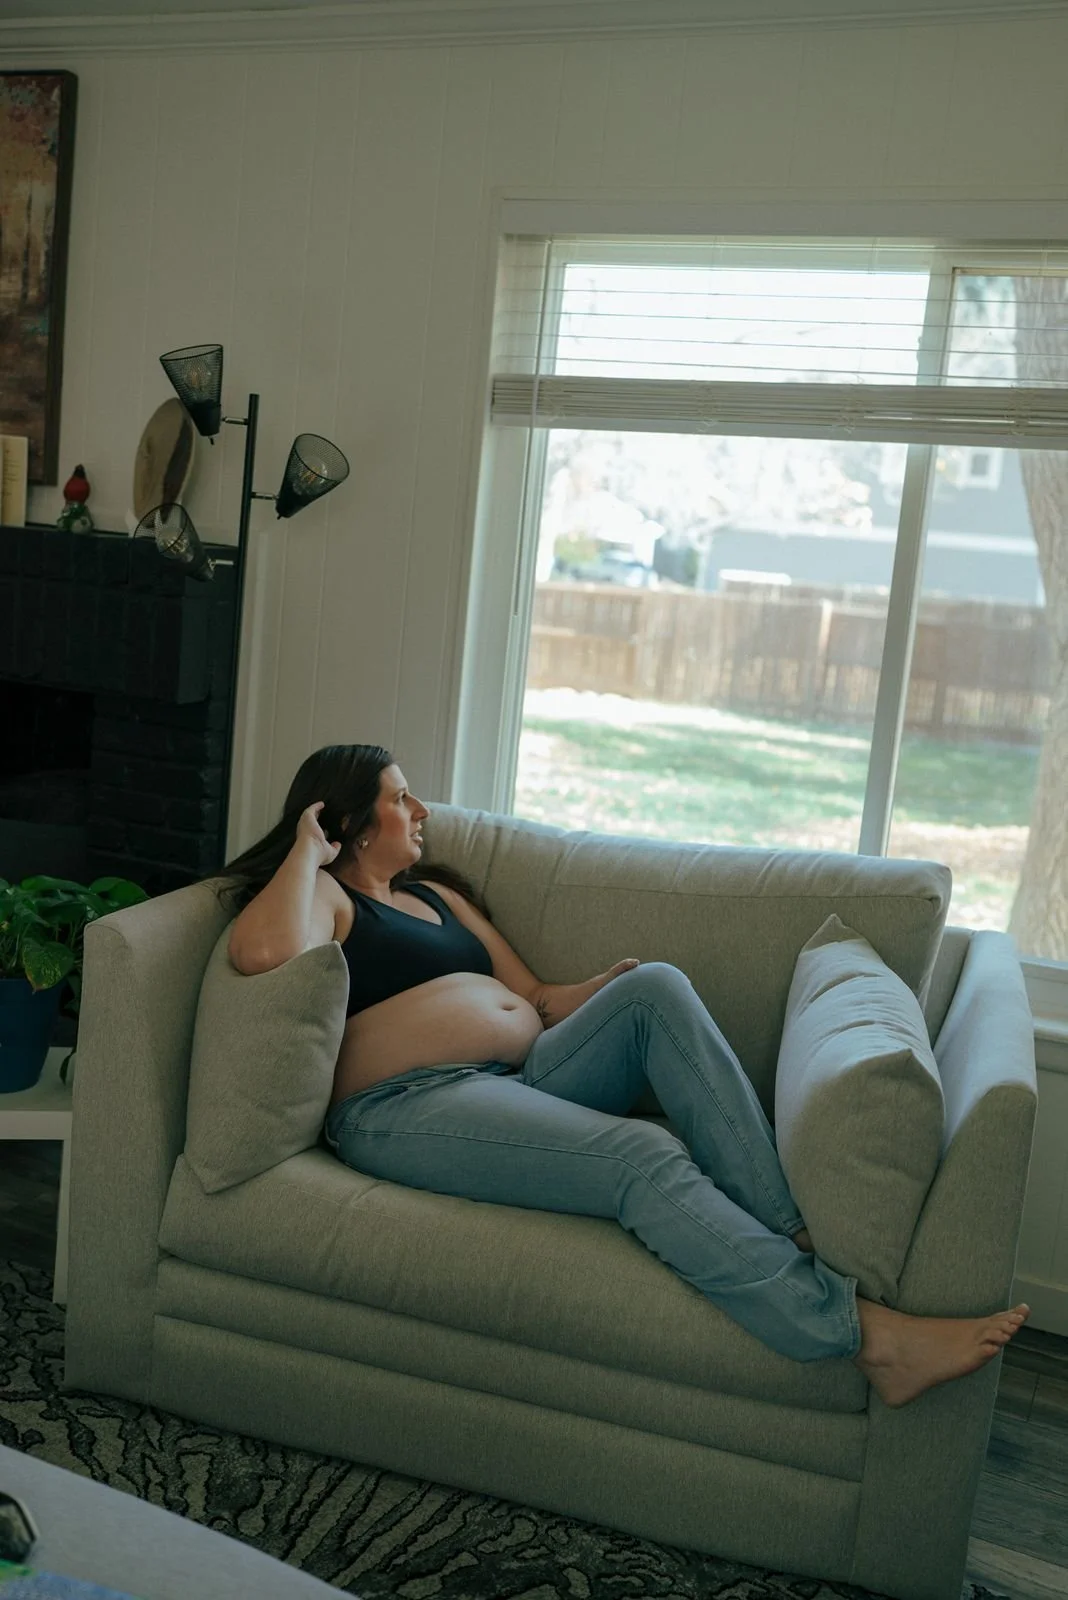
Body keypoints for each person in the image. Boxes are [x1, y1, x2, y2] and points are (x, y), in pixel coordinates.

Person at [221, 743, 1030, 1410]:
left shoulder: (439, 898)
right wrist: (304, 848)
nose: (422, 811)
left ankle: (789, 1227)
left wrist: (612, 987)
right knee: (640, 1156)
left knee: (659, 988)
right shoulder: (329, 899)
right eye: (403, 798)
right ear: (352, 824)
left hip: (524, 1069)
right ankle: (862, 1336)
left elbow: (535, 996)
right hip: (405, 1106)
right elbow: (260, 953)